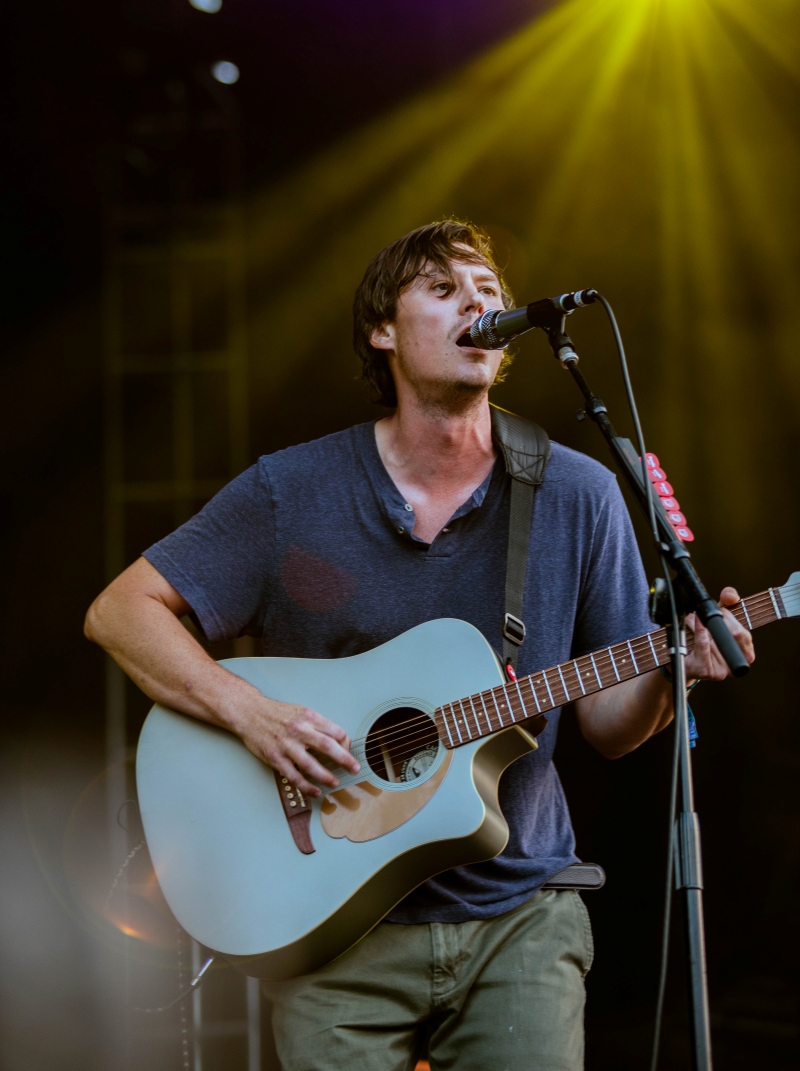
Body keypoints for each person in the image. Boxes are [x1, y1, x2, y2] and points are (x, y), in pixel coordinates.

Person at [85, 220, 754, 1071]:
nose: (477, 302)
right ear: (383, 331)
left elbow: (610, 728)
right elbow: (120, 611)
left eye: (488, 291)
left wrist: (673, 672)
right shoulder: (292, 490)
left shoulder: (580, 493)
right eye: (442, 289)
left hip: (520, 914)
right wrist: (253, 715)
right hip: (331, 923)